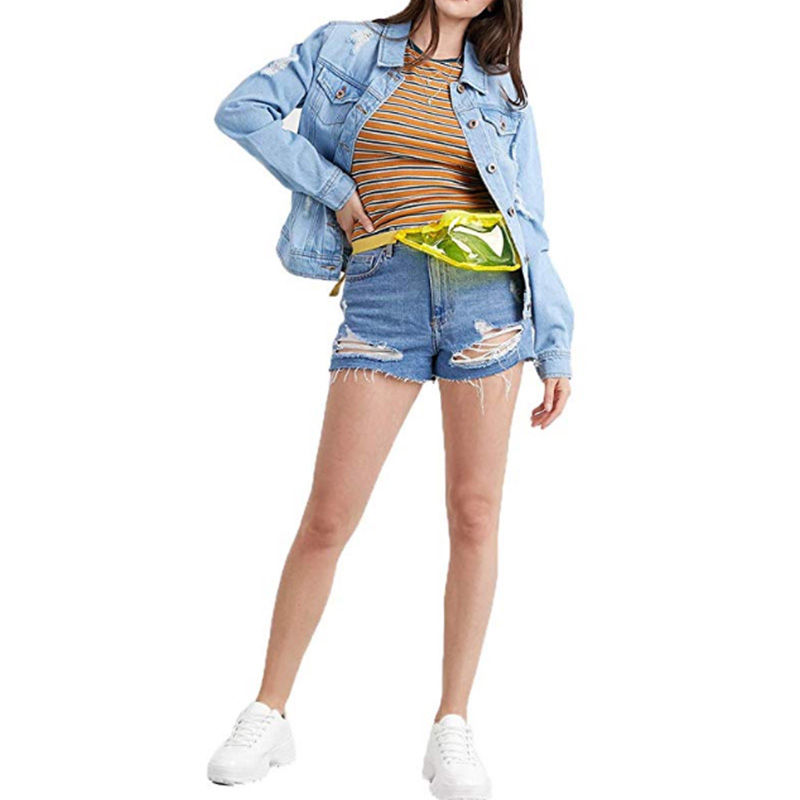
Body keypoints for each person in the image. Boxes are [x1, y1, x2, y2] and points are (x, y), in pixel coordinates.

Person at [208, 2, 574, 797]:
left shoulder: (502, 88)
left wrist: (556, 342)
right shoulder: (343, 47)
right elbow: (242, 109)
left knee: (474, 513)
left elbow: (530, 221)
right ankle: (269, 711)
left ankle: (452, 726)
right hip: (384, 298)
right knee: (328, 517)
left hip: (487, 304)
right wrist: (333, 188)